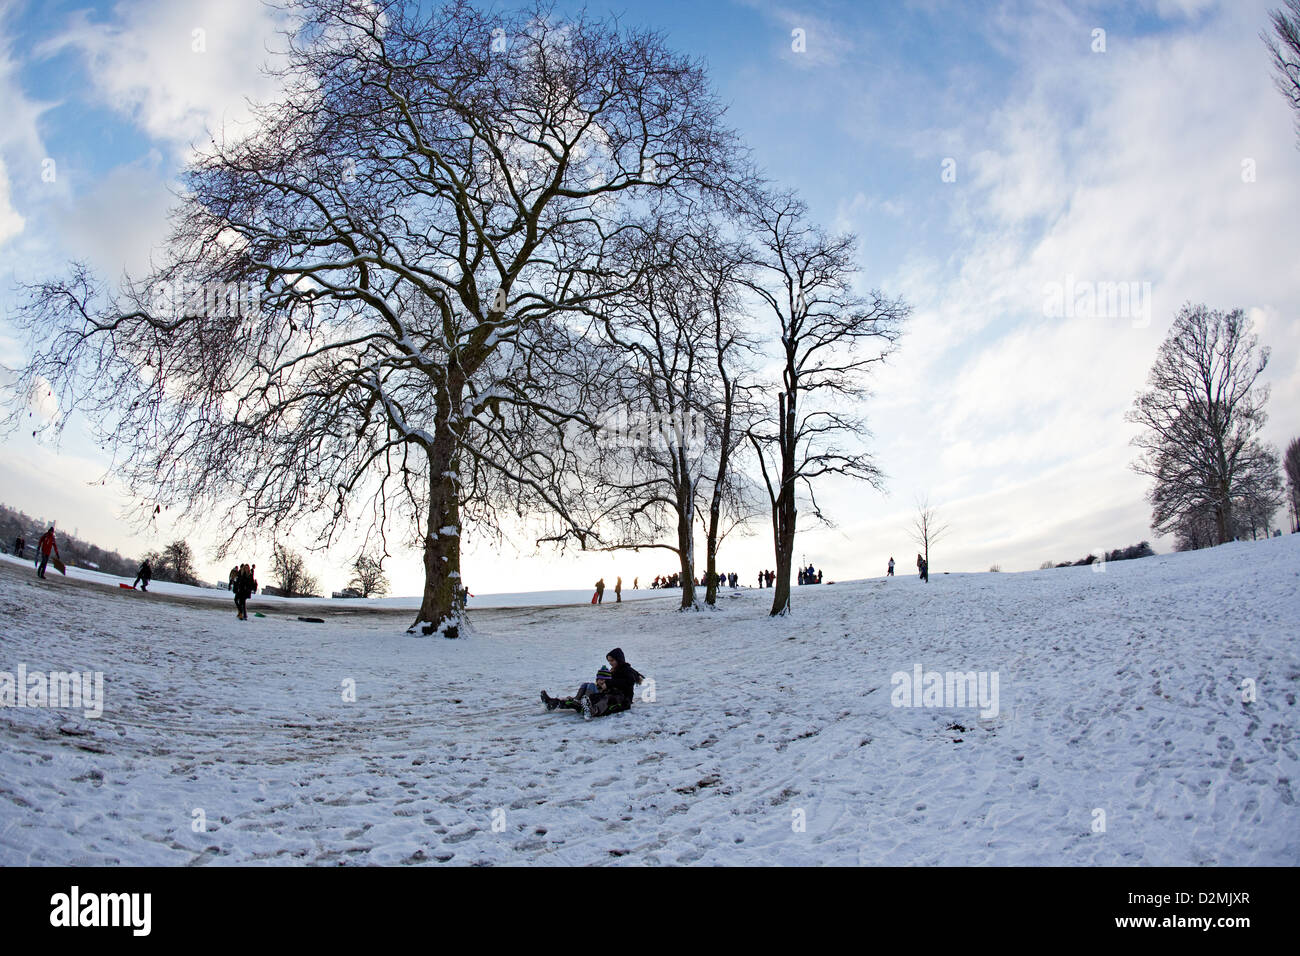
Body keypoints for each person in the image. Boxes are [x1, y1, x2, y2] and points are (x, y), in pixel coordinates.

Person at [541, 647, 644, 719]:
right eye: (609, 661)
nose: (610, 663)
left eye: (612, 660)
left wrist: (609, 684)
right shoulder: (615, 670)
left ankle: (591, 710)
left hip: (621, 700)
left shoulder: (626, 670)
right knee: (587, 687)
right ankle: (554, 704)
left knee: (605, 699)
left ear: (619, 660)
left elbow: (628, 682)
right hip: (611, 693)